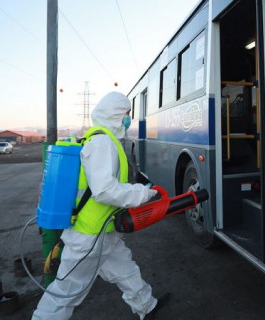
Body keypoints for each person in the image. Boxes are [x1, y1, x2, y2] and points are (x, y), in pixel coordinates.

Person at [32, 92, 166, 320]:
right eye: (127, 114)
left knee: (126, 271)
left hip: (105, 231)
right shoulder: (102, 142)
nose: (128, 119)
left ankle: (147, 306)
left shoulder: (106, 141)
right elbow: (105, 190)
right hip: (89, 236)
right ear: (116, 115)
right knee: (65, 292)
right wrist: (143, 193)